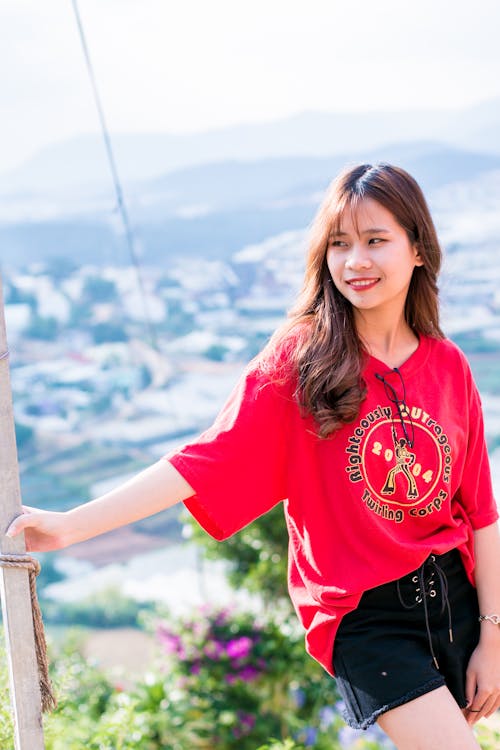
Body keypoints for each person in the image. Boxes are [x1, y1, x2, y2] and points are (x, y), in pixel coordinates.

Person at [6, 163, 500, 749]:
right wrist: (69, 527)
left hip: (454, 597)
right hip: (366, 616)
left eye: (375, 241)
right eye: (339, 244)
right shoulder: (302, 360)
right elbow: (203, 461)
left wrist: (492, 637)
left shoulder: (448, 366)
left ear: (418, 249)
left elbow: (481, 513)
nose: (355, 261)